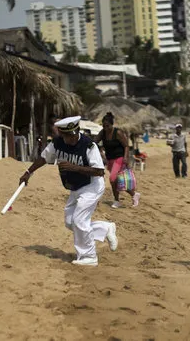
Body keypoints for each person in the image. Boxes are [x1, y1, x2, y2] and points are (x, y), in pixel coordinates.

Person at [19, 116, 118, 267]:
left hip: (92, 186)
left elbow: (99, 171)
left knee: (79, 220)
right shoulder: (57, 143)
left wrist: (74, 168)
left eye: (72, 136)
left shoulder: (89, 145)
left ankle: (89, 256)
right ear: (62, 134)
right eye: (66, 136)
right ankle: (104, 228)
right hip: (75, 186)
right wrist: (28, 172)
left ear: (77, 131)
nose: (70, 140)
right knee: (70, 222)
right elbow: (44, 158)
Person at [95, 112, 140, 209]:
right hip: (109, 159)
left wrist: (126, 157)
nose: (105, 127)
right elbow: (94, 142)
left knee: (112, 179)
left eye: (107, 126)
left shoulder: (118, 133)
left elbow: (126, 145)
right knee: (119, 181)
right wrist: (100, 153)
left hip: (119, 158)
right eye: (104, 125)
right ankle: (134, 194)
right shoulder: (102, 133)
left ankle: (116, 200)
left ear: (112, 124)